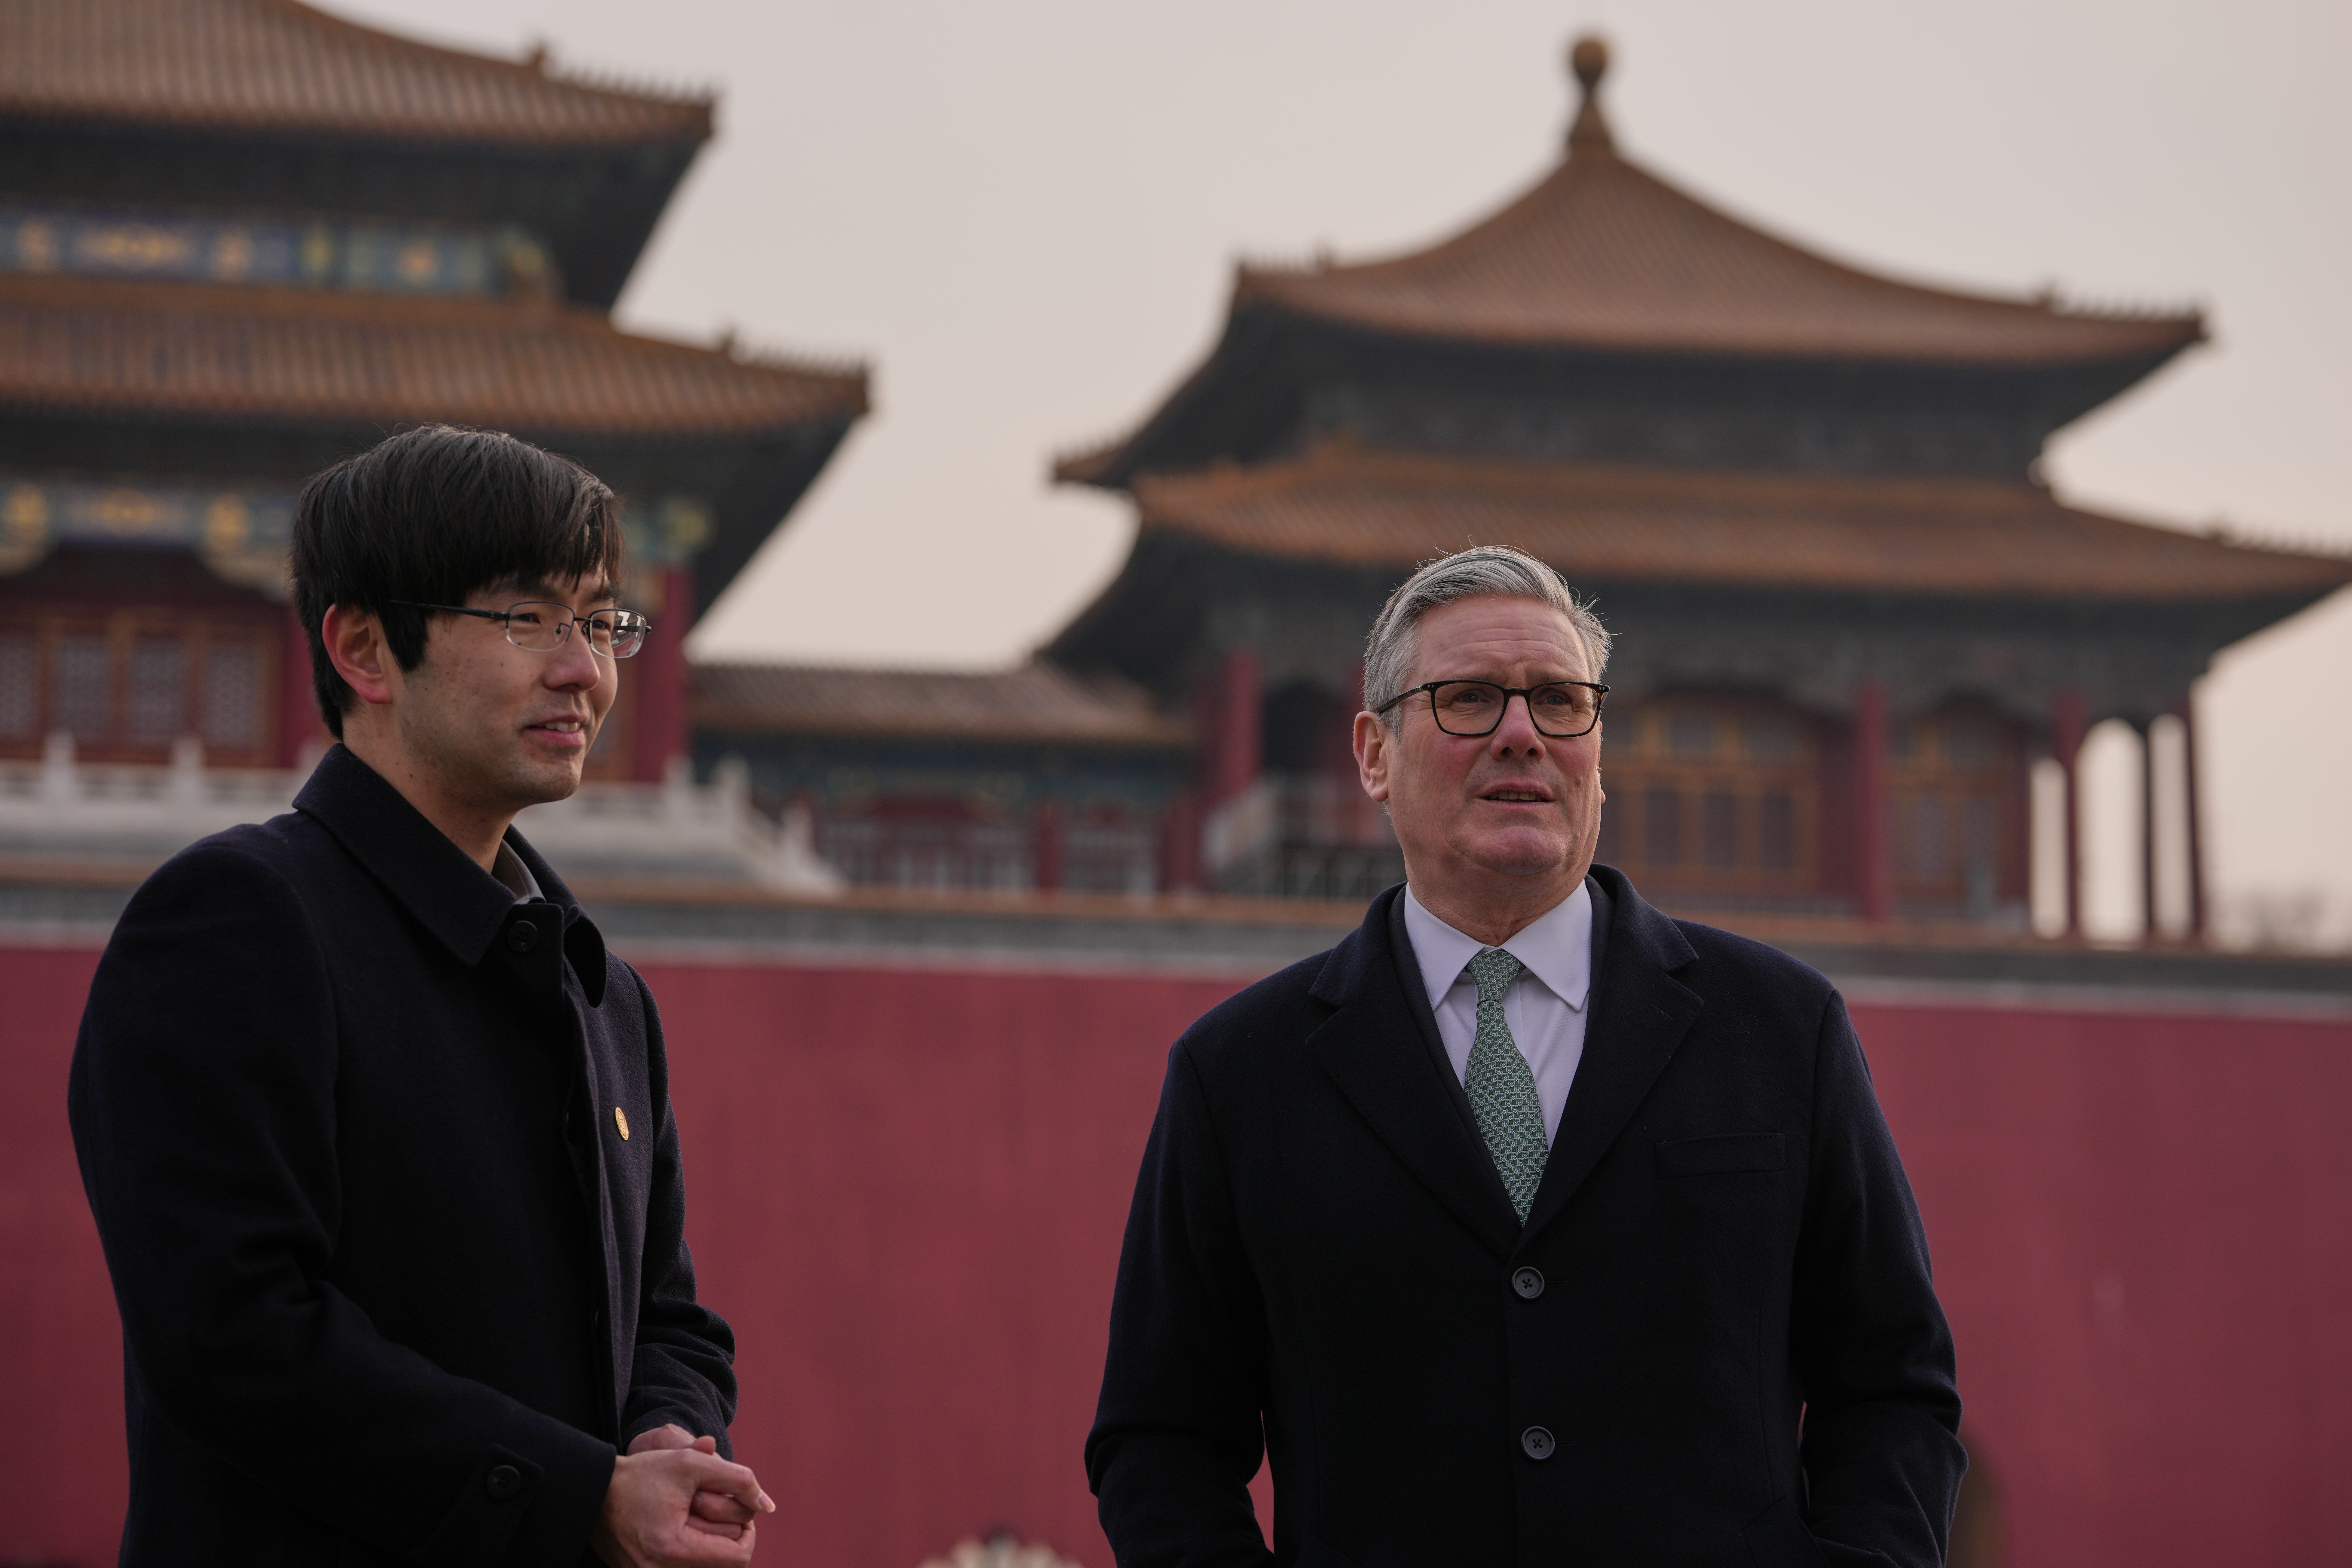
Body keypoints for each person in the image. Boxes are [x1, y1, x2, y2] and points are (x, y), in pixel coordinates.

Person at [1088, 545, 1964, 1567]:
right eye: (1467, 700)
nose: (1521, 735)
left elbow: (1893, 1383)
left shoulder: (1779, 1029)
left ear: (1599, 749)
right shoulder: (1241, 1074)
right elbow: (1163, 1441)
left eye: (1559, 701)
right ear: (1374, 754)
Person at [69, 425, 772, 1567]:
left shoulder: (604, 996)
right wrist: (580, 1494)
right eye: (527, 618)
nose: (584, 671)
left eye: (599, 622)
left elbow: (670, 1317)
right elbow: (235, 1336)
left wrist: (667, 1440)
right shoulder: (237, 924)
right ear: (363, 647)